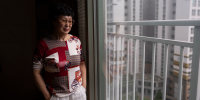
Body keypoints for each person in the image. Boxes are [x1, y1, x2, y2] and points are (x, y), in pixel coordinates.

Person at [33, 3, 87, 100]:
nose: (68, 24)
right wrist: (47, 96)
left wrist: (83, 87)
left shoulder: (76, 41)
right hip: (57, 96)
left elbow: (82, 64)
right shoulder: (44, 44)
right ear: (55, 21)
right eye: (64, 21)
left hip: (78, 94)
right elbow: (36, 72)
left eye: (70, 21)